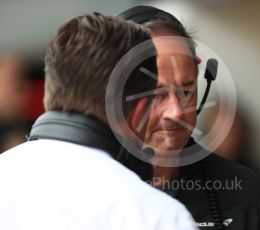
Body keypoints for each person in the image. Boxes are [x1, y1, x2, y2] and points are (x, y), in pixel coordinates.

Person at [0, 13, 197, 230]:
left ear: (50, 89)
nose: (175, 112)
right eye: (158, 95)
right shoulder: (156, 214)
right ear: (140, 109)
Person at [118, 6, 260, 230]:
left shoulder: (244, 191)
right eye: (157, 94)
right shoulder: (77, 188)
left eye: (185, 92)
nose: (176, 112)